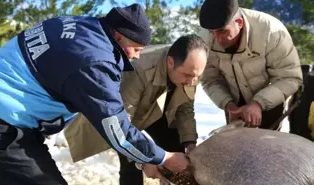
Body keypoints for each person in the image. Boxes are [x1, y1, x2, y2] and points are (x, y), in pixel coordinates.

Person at [0, 3, 189, 185]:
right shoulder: (95, 62)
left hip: (6, 110)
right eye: (136, 49)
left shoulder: (74, 23)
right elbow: (117, 130)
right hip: (3, 123)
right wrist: (165, 158)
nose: (137, 56)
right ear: (118, 36)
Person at [64, 34, 209, 185]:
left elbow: (184, 109)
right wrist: (146, 160)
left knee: (176, 146)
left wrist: (190, 142)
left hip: (155, 108)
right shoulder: (138, 67)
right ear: (170, 62)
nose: (191, 82)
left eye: (196, 77)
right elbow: (122, 127)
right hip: (120, 114)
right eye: (187, 75)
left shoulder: (192, 69)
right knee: (131, 160)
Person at [198, 0, 303, 130]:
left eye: (222, 31)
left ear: (239, 23)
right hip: (233, 103)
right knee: (235, 146)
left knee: (268, 146)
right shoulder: (203, 40)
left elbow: (290, 78)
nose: (217, 39)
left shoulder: (272, 32)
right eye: (211, 32)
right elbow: (210, 80)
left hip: (270, 100)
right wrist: (228, 105)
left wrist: (258, 104)